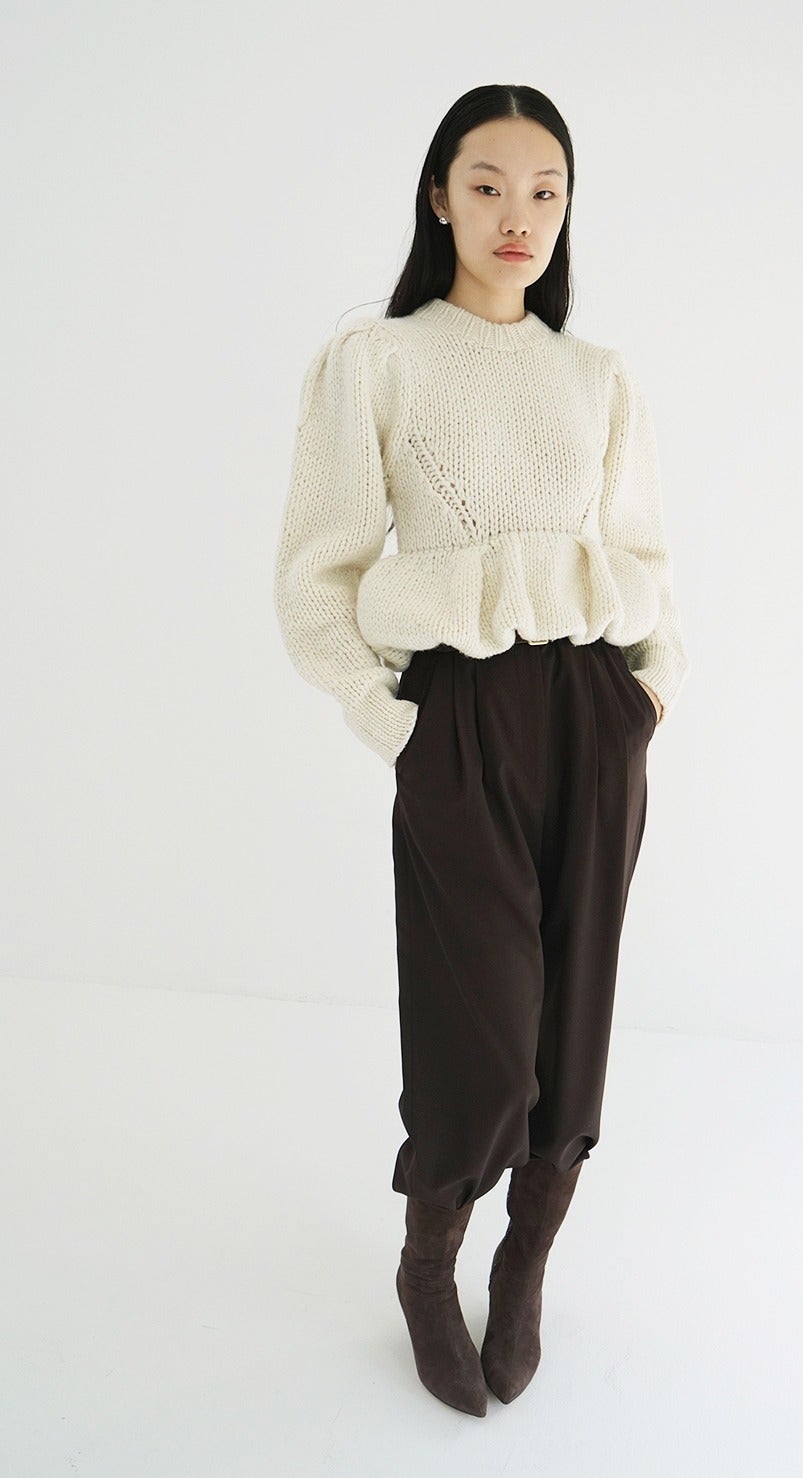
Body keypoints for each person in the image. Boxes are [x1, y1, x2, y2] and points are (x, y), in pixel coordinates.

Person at [273, 84, 689, 1417]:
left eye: (545, 191)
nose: (519, 215)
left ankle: (525, 1261)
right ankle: (427, 1257)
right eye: (489, 184)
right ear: (439, 196)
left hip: (592, 709)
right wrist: (395, 720)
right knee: (483, 1030)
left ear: (568, 211)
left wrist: (647, 695)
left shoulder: (597, 377)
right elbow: (318, 570)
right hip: (460, 711)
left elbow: (645, 554)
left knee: (573, 1013)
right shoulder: (378, 361)